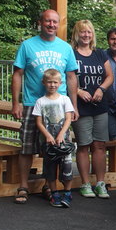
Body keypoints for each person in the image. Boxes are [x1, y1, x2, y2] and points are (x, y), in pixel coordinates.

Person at [11, 9, 78, 204]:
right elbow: (17, 73)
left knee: (57, 148)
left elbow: (72, 76)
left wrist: (73, 106)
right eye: (47, 21)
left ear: (59, 24)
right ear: (40, 22)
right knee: (27, 147)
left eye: (55, 22)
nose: (51, 25)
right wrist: (16, 103)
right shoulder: (27, 45)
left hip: (58, 107)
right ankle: (23, 186)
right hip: (33, 103)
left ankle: (50, 186)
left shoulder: (65, 47)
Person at [71, 20, 114, 199]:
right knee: (83, 145)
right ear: (76, 34)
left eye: (89, 32)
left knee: (99, 145)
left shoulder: (100, 53)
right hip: (81, 107)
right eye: (83, 32)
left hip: (99, 106)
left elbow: (110, 76)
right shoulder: (71, 54)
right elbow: (69, 78)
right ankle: (85, 183)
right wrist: (78, 91)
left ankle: (100, 183)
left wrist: (101, 89)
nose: (86, 35)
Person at [33, 69, 75, 208]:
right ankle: (54, 193)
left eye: (55, 82)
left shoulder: (65, 99)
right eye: (49, 82)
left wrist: (62, 133)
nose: (52, 85)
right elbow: (39, 122)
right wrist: (48, 135)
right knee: (50, 167)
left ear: (60, 83)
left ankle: (68, 193)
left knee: (67, 166)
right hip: (48, 140)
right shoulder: (40, 101)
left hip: (64, 139)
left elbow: (68, 118)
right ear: (44, 83)